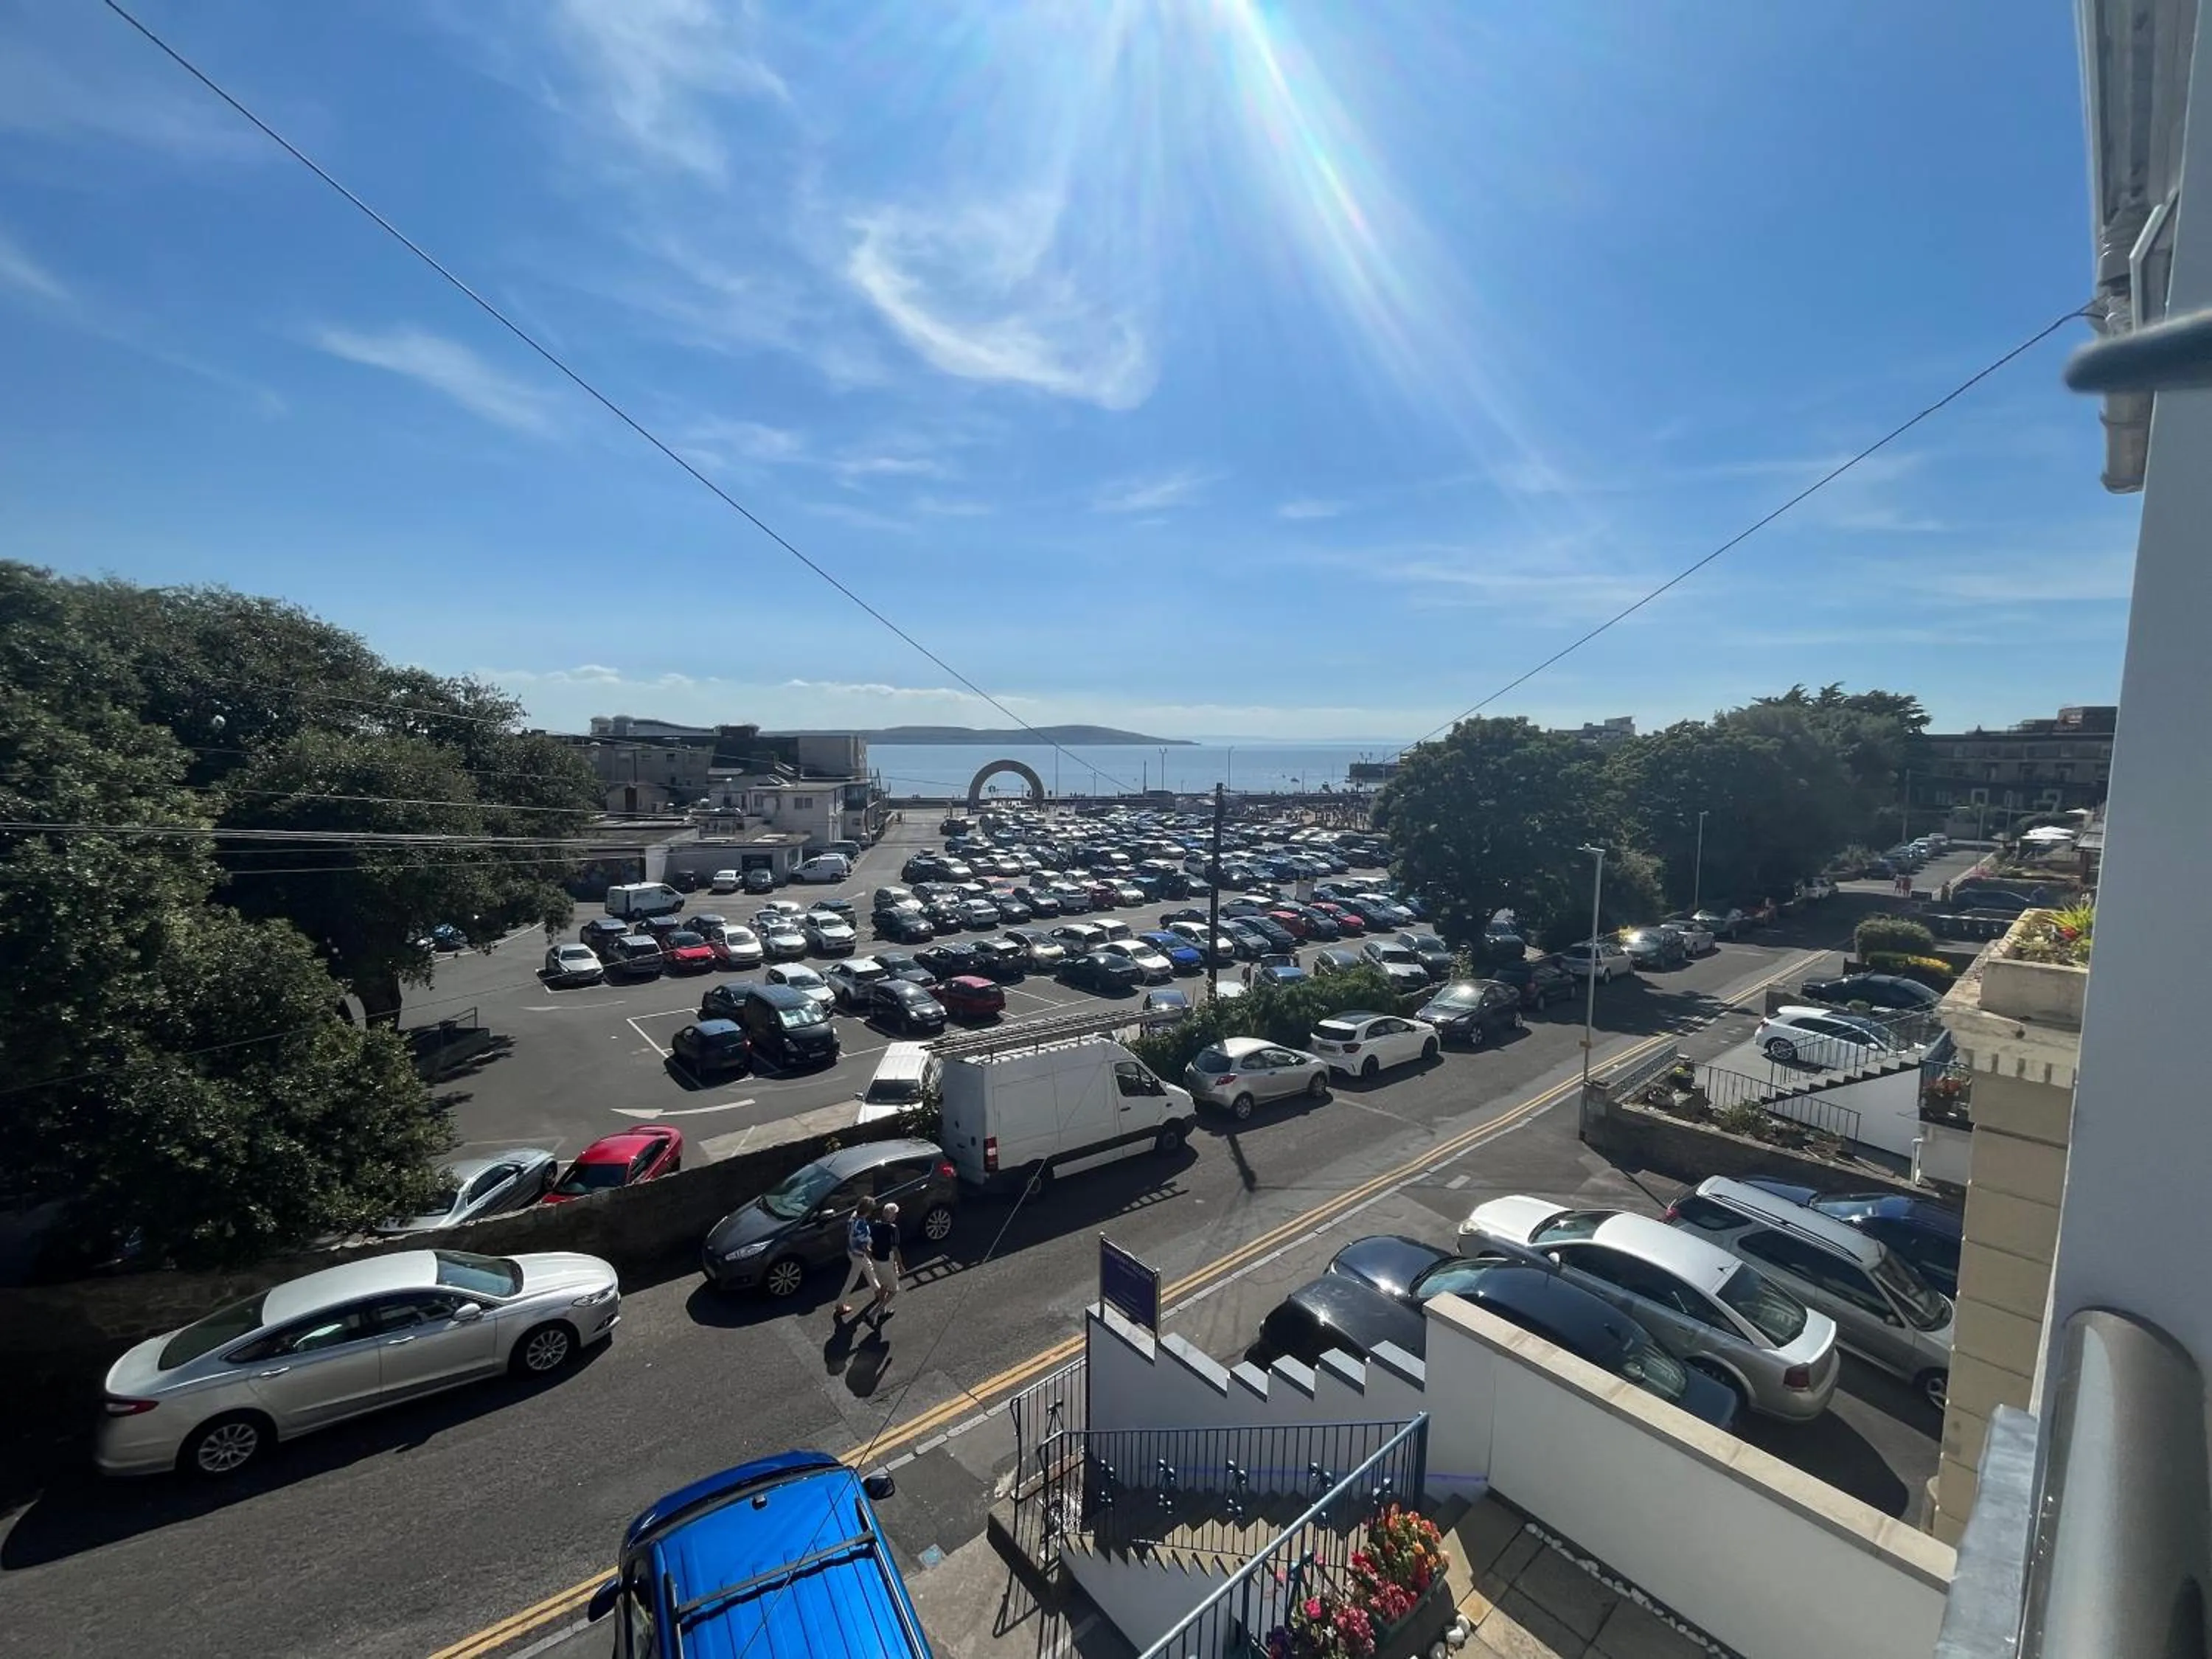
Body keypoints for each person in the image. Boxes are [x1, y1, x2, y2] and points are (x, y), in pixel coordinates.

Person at [835, 1197, 879, 1319]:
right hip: (859, 1255)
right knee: (853, 1279)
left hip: (851, 1251)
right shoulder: (862, 1227)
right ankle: (840, 1304)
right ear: (868, 1212)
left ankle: (877, 1290)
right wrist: (873, 1254)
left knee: (869, 1268)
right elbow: (865, 1246)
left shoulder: (853, 1217)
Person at [867, 1202, 903, 1322]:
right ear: (892, 1216)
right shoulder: (893, 1229)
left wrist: (871, 1256)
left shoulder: (875, 1225)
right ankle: (874, 1313)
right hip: (886, 1262)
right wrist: (901, 1265)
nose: (896, 1217)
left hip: (876, 1261)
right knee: (894, 1290)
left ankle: (883, 1312)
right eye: (895, 1214)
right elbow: (895, 1250)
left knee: (884, 1285)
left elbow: (869, 1244)